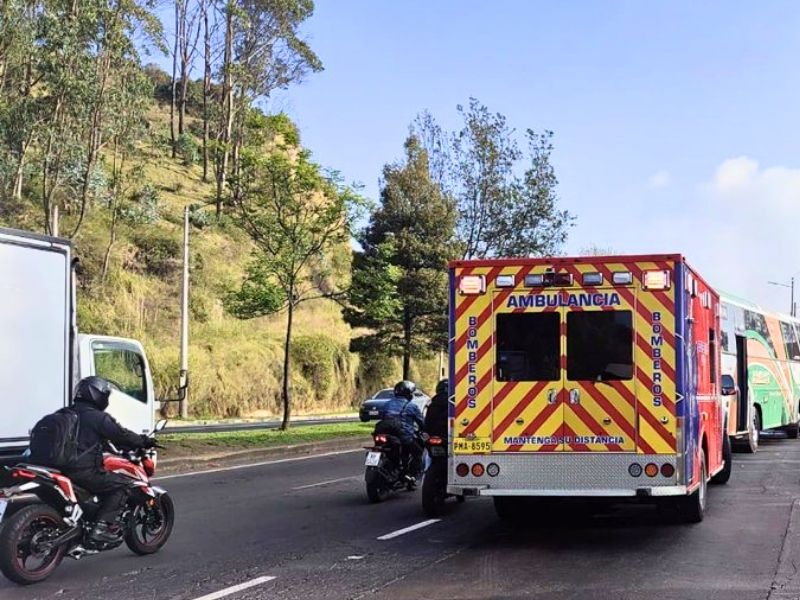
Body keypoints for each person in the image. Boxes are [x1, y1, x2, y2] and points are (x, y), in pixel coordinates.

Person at [63, 376, 155, 544]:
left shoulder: (64, 413)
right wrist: (143, 441)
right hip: (81, 471)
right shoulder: (99, 418)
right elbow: (122, 435)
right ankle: (101, 528)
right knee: (123, 486)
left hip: (57, 467)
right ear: (98, 395)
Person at [380, 380, 425, 483]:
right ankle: (410, 475)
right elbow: (422, 422)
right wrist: (425, 429)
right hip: (404, 436)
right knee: (418, 452)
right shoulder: (411, 406)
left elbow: (382, 417)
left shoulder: (387, 404)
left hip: (385, 434)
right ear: (409, 394)